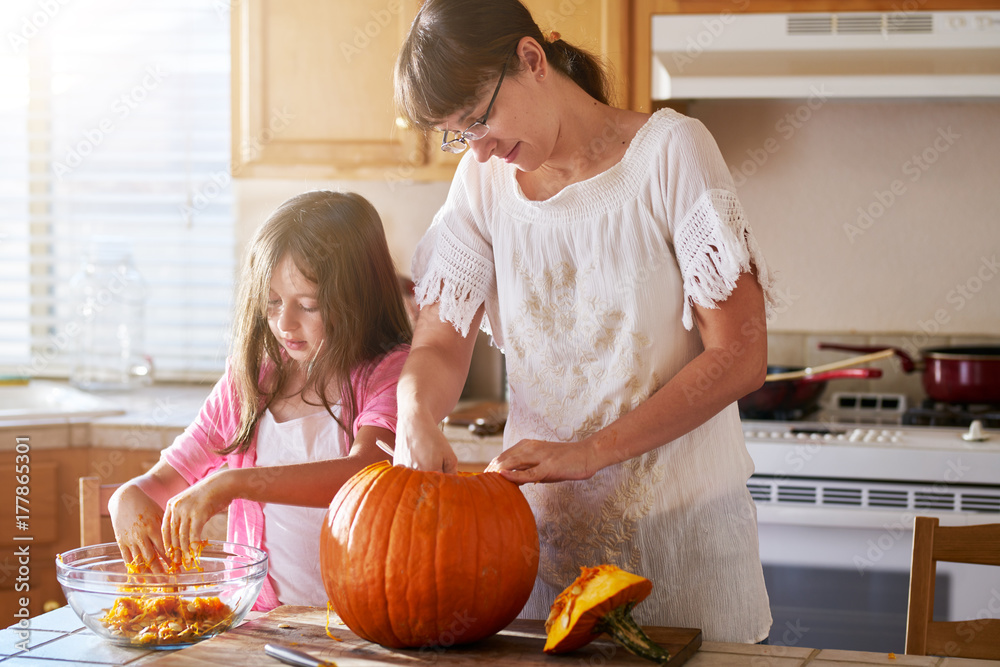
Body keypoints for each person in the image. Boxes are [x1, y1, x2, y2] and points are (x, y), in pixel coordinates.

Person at [392, 0, 777, 644]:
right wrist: (414, 413)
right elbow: (438, 340)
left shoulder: (669, 153)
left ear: (531, 60)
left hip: (680, 550)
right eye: (459, 134)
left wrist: (590, 453)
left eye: (479, 120)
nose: (479, 150)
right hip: (539, 563)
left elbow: (740, 351)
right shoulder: (482, 184)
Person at [109, 191, 411, 610]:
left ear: (359, 299)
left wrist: (236, 483)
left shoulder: (389, 373)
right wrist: (128, 497)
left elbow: (367, 474)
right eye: (271, 302)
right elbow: (164, 480)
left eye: (308, 305)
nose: (284, 323)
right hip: (260, 622)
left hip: (362, 623)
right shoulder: (252, 379)